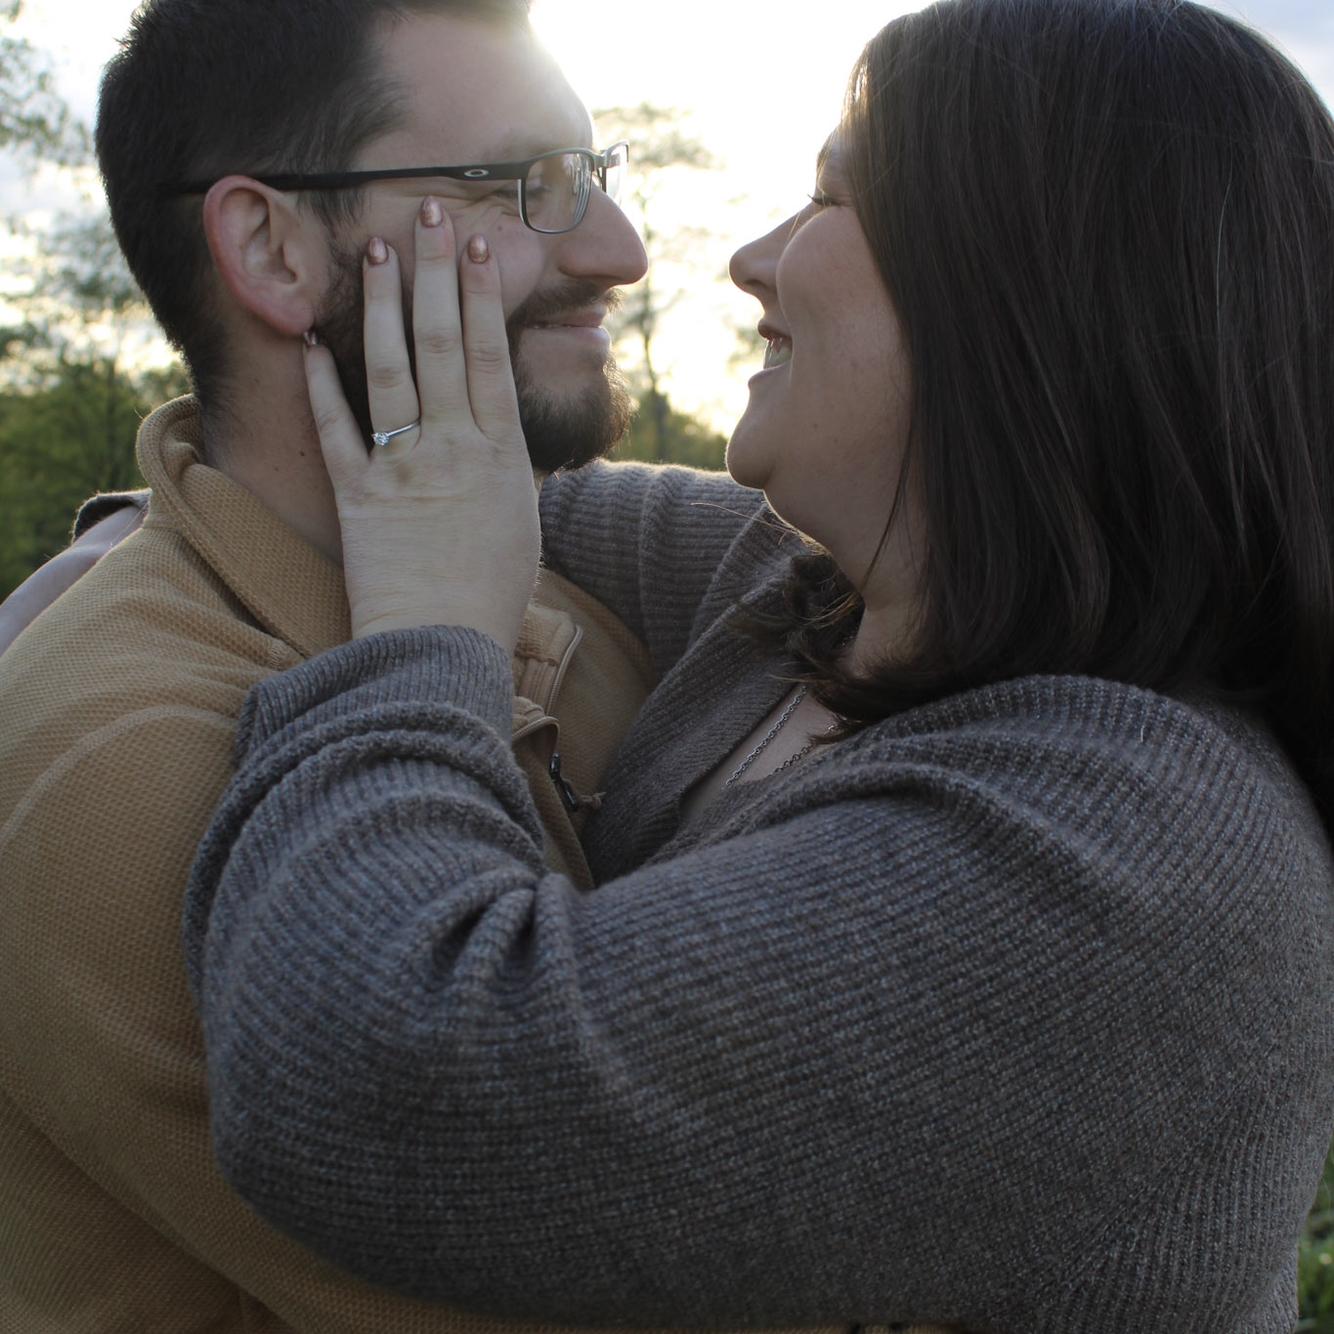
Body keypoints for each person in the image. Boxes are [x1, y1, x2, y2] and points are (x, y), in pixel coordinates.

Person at [180, 0, 1334, 1330]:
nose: (747, 257)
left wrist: (425, 646)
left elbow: (367, 1086)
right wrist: (116, 553)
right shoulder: (809, 597)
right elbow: (443, 497)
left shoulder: (1142, 861)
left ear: (1037, 279)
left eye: (830, 202)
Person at [0, 0, 699, 1329]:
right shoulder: (125, 769)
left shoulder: (569, 603)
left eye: (591, 181)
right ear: (272, 245)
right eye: (520, 187)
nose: (619, 250)